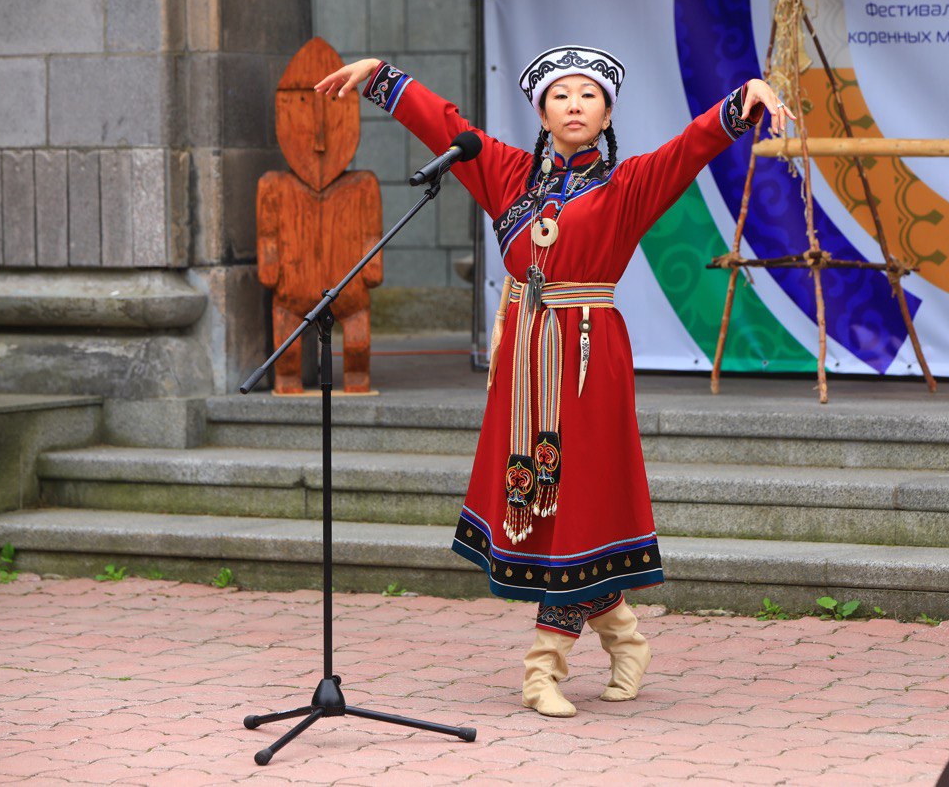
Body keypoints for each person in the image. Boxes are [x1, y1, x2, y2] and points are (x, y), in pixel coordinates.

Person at [315, 46, 791, 717]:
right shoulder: (506, 174)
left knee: (579, 507)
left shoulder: (627, 186)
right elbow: (447, 125)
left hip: (589, 362)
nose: (574, 104)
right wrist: (383, 79)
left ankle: (544, 668)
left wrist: (739, 105)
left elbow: (690, 148)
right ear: (541, 110)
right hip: (524, 360)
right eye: (560, 95)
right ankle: (625, 638)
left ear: (606, 114)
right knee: (547, 505)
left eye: (588, 95)